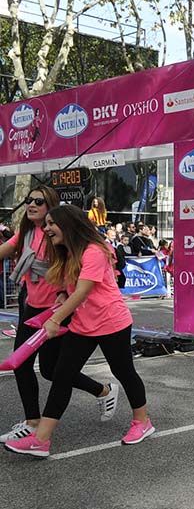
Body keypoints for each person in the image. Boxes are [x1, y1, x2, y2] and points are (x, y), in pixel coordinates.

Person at [4, 205, 151, 458]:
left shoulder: (94, 251)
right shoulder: (67, 253)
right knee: (61, 375)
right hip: (83, 325)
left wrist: (55, 320)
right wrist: (62, 294)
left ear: (69, 225)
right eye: (46, 224)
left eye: (51, 224)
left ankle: (142, 422)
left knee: (124, 372)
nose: (47, 228)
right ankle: (41, 440)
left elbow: (83, 290)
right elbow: (71, 288)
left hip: (111, 322)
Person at [0, 187, 117, 444]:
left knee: (53, 371)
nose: (31, 204)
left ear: (50, 206)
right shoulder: (25, 233)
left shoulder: (60, 237)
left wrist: (63, 297)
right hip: (30, 306)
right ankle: (32, 423)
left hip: (56, 309)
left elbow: (76, 269)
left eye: (38, 202)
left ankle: (104, 390)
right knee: (21, 364)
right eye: (28, 200)